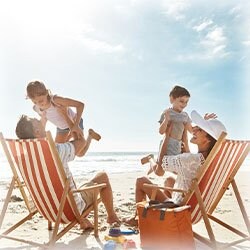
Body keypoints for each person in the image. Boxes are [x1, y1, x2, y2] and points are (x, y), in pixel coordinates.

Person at [15, 115, 120, 229]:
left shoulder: (23, 158)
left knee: (73, 187)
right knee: (102, 176)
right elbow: (81, 142)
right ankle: (112, 217)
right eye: (37, 121)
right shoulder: (54, 150)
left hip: (47, 210)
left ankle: (83, 221)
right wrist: (74, 127)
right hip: (70, 210)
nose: (40, 121)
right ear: (37, 131)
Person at [124, 110, 226, 226]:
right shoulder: (212, 159)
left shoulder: (190, 159)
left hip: (181, 209)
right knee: (169, 180)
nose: (194, 129)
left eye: (200, 129)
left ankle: (138, 219)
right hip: (198, 208)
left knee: (141, 181)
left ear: (208, 139)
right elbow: (193, 163)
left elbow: (161, 164)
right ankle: (157, 213)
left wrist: (167, 136)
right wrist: (205, 125)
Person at [26, 80, 101, 156]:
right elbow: (43, 122)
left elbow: (80, 105)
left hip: (73, 122)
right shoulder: (37, 108)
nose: (39, 104)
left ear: (46, 93)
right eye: (35, 102)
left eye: (41, 100)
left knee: (80, 153)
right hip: (62, 128)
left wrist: (76, 125)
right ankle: (71, 136)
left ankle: (90, 136)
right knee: (57, 153)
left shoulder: (56, 100)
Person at [141, 85, 193, 193]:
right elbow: (161, 131)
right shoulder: (167, 113)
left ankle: (177, 188)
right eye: (181, 101)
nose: (184, 105)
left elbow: (191, 130)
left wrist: (204, 123)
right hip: (167, 144)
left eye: (186, 102)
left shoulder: (185, 116)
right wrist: (166, 120)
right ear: (172, 99)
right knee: (159, 172)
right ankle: (151, 159)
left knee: (179, 170)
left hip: (178, 146)